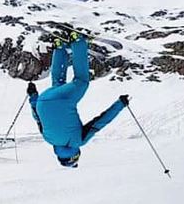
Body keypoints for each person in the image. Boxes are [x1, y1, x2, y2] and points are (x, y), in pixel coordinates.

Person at [27, 34, 129, 168]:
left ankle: (77, 41)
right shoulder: (48, 140)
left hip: (62, 100)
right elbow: (37, 118)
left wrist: (120, 104)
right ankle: (59, 47)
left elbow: (100, 122)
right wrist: (33, 95)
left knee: (81, 82)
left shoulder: (79, 141)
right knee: (58, 84)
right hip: (43, 101)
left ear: (74, 156)